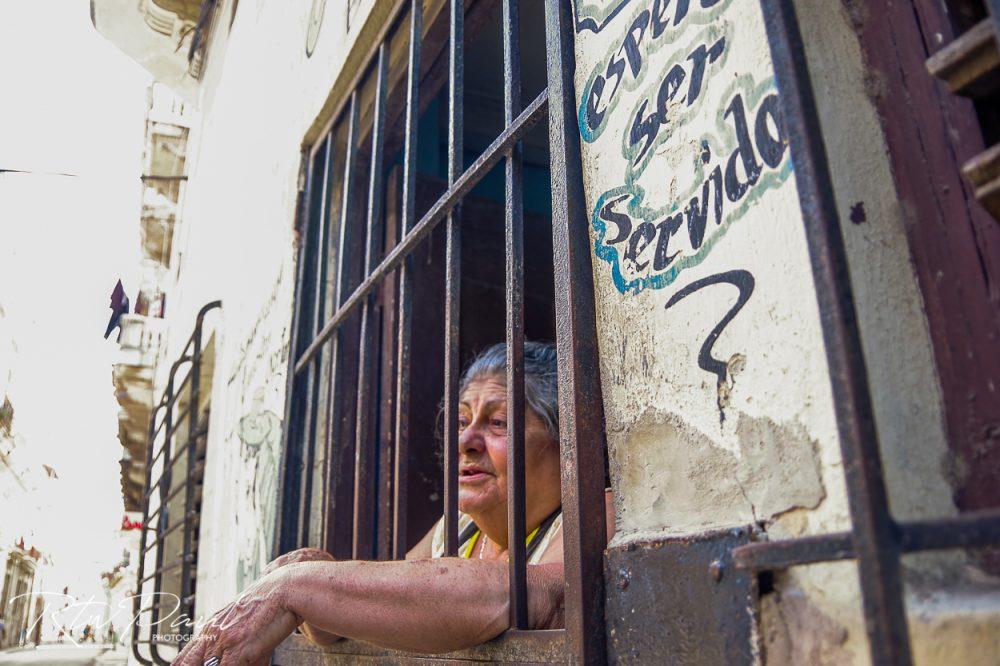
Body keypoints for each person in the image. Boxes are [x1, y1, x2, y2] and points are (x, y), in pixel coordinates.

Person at [175, 342, 615, 665]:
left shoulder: (599, 511)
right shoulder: (457, 527)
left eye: (498, 422)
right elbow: (395, 610)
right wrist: (312, 582)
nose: (465, 441)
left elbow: (531, 594)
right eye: (461, 422)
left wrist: (300, 587)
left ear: (566, 441)